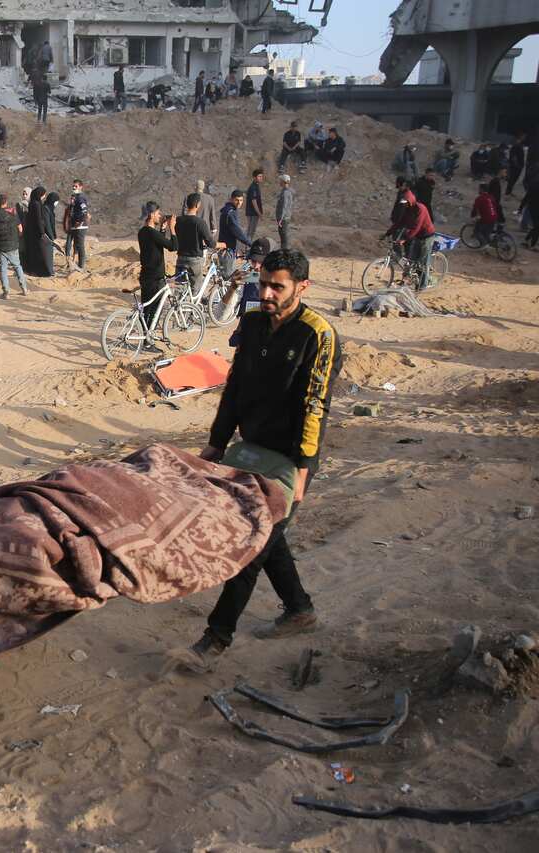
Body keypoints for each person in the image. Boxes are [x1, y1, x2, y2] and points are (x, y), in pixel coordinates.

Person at [182, 248, 341, 667]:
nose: (266, 293)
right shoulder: (252, 323)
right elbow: (234, 388)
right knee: (269, 539)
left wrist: (304, 468)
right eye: (263, 283)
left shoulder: (317, 334)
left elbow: (315, 405)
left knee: (251, 544)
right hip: (247, 449)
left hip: (288, 460)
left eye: (277, 286)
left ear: (301, 287)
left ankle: (216, 637)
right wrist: (216, 443)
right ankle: (300, 609)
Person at [136, 201, 177, 330]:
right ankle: (148, 340)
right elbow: (172, 246)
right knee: (154, 311)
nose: (160, 216)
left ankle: (145, 336)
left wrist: (163, 229)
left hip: (146, 275)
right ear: (152, 214)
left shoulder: (143, 232)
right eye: (158, 213)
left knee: (146, 310)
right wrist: (172, 229)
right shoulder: (152, 233)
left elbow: (157, 243)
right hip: (155, 278)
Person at [0, 193, 28, 298]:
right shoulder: (13, 212)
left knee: (3, 270)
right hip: (13, 245)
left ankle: (6, 292)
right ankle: (24, 289)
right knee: (17, 266)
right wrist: (16, 239)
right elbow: (20, 229)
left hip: (0, 247)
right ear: (6, 202)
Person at [395, 189, 435, 290]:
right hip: (417, 236)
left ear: (411, 200)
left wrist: (405, 239)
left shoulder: (420, 208)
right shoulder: (408, 209)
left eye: (406, 202)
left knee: (422, 261)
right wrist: (388, 233)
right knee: (411, 260)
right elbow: (400, 222)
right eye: (404, 203)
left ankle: (423, 285)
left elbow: (416, 227)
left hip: (427, 236)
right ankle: (406, 280)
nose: (405, 205)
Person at [174, 193, 212, 287]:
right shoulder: (200, 222)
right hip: (194, 261)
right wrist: (222, 244)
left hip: (180, 258)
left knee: (179, 287)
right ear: (197, 205)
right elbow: (210, 242)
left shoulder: (178, 220)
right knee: (195, 288)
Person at [21, 187, 53, 278]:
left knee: (33, 251)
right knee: (39, 252)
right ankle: (40, 271)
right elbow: (39, 219)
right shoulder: (37, 204)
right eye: (43, 194)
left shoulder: (32, 203)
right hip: (37, 232)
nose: (44, 196)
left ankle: (31, 270)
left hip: (31, 231)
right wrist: (42, 232)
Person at [63, 179, 90, 273]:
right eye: (73, 186)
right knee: (73, 244)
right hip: (74, 225)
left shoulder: (81, 197)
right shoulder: (75, 197)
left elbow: (85, 211)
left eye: (76, 186)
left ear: (81, 187)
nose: (74, 188)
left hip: (80, 226)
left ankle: (81, 266)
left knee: (80, 245)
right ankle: (74, 265)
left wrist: (80, 221)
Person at [219, 190, 250, 257]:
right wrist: (250, 243)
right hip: (227, 250)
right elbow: (237, 232)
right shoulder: (231, 212)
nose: (239, 203)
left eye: (241, 200)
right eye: (237, 200)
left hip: (225, 248)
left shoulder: (228, 209)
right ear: (231, 199)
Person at [470, 183, 498, 248]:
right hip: (494, 217)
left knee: (476, 231)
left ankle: (485, 245)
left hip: (486, 218)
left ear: (481, 189)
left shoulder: (479, 198)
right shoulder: (491, 197)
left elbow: (474, 209)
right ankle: (491, 243)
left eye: (479, 189)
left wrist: (472, 217)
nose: (478, 190)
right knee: (487, 232)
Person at [192, 178, 218, 246]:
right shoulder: (210, 199)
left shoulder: (190, 197)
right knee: (204, 249)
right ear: (203, 187)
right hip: (205, 228)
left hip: (192, 227)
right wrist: (214, 228)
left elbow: (185, 213)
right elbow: (212, 215)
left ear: (195, 187)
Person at [275, 175, 295, 251]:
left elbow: (284, 206)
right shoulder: (286, 191)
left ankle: (285, 254)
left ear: (283, 182)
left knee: (284, 238)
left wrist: (280, 219)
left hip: (284, 219)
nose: (279, 182)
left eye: (280, 181)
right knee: (284, 238)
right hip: (285, 218)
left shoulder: (285, 192)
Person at [245, 169, 264, 240]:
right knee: (251, 231)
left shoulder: (256, 186)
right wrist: (259, 213)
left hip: (253, 213)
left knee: (251, 231)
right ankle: (247, 247)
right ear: (254, 177)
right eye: (259, 176)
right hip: (252, 213)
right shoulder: (253, 187)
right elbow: (254, 202)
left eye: (261, 176)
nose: (261, 178)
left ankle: (247, 246)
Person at [506, 132, 527, 196]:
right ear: (520, 137)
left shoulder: (519, 145)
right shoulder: (516, 145)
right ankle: (507, 192)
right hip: (515, 166)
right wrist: (517, 165)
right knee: (512, 179)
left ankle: (509, 191)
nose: (524, 138)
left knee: (514, 179)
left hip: (518, 166)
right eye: (523, 136)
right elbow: (513, 157)